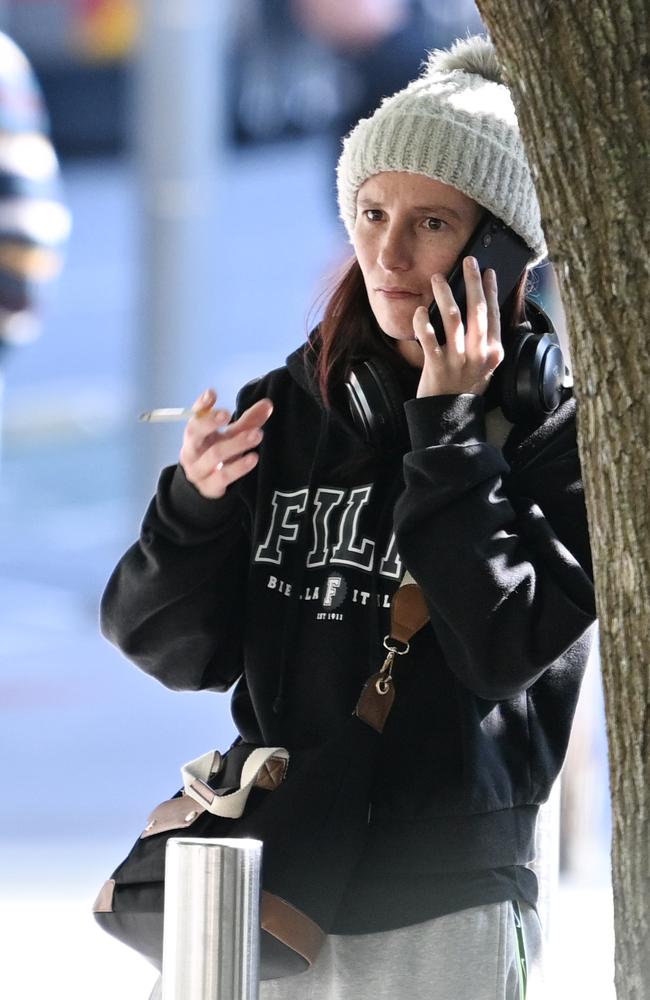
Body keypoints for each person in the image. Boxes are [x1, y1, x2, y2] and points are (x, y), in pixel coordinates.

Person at [101, 35, 596, 1000]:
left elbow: (504, 651)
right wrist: (195, 506)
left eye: (433, 223)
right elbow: (164, 647)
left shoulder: (557, 439)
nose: (387, 252)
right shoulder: (293, 407)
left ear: (500, 249)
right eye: (372, 213)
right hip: (262, 877)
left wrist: (450, 438)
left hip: (438, 904)